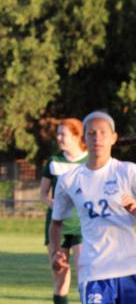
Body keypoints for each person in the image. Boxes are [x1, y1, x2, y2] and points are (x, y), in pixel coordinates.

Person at [50, 111, 136, 304]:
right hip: (94, 272)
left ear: (113, 138)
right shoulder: (69, 179)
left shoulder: (128, 172)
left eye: (103, 133)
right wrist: (57, 252)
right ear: (84, 138)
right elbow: (56, 223)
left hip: (131, 269)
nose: (97, 138)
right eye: (91, 133)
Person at [40, 118, 89, 304]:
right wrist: (56, 205)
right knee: (60, 276)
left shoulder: (89, 160)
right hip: (57, 226)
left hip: (82, 226)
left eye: (63, 134)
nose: (59, 138)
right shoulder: (54, 161)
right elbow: (43, 194)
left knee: (83, 273)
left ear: (77, 136)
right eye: (58, 134)